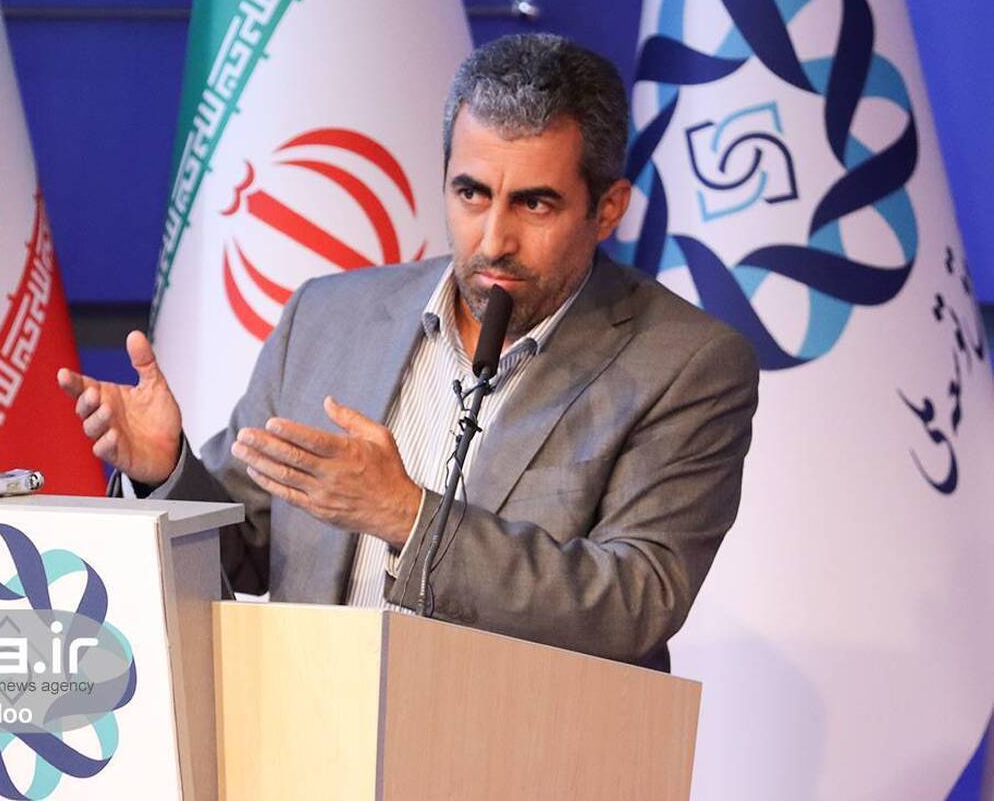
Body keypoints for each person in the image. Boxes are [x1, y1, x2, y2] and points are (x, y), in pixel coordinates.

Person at [57, 33, 759, 672]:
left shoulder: (684, 364)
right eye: (471, 194)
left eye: (534, 205)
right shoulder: (327, 318)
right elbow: (244, 544)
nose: (493, 240)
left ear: (607, 209)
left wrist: (407, 516)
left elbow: (635, 600)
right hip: (305, 739)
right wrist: (166, 474)